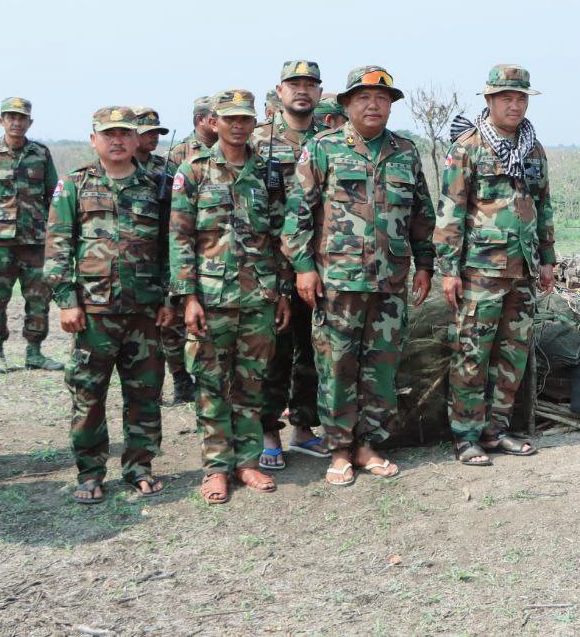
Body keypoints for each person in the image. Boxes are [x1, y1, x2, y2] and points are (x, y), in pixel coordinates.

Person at [282, 66, 435, 485]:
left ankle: (369, 444)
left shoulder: (405, 152)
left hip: (389, 283)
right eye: (364, 98)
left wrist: (425, 265)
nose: (374, 105)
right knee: (336, 366)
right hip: (337, 283)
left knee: (381, 368)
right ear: (347, 104)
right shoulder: (322, 149)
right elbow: (297, 216)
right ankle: (338, 450)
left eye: (382, 99)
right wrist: (303, 269)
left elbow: (421, 215)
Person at [43, 107, 172, 504]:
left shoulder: (157, 185)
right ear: (94, 138)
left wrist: (169, 297)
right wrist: (67, 300)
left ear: (136, 140)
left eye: (124, 133)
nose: (117, 140)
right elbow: (57, 245)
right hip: (93, 314)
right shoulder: (74, 185)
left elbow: (173, 247)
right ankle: (90, 472)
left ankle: (139, 467)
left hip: (145, 313)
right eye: (108, 133)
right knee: (88, 395)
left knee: (145, 395)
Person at [171, 89, 292, 504]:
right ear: (214, 122)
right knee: (210, 385)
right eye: (230, 119)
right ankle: (216, 468)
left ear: (255, 121)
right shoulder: (194, 170)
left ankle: (248, 462)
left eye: (246, 118)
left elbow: (279, 236)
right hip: (210, 298)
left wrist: (281, 293)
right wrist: (187, 298)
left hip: (258, 296)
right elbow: (180, 238)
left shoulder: (266, 172)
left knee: (252, 385)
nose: (239, 126)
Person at [435, 65, 555, 466]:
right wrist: (449, 270)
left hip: (522, 270)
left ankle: (497, 430)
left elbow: (544, 206)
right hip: (479, 272)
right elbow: (451, 210)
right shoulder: (468, 147)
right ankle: (466, 436)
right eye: (507, 98)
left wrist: (548, 259)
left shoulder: (533, 148)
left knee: (512, 356)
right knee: (471, 355)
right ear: (489, 101)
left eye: (521, 98)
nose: (515, 105)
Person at [250, 60, 328, 469]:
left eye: (310, 85)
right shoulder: (257, 141)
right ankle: (268, 432)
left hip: (322, 264)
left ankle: (304, 426)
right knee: (273, 353)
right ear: (279, 91)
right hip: (272, 267)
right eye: (294, 84)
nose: (303, 91)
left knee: (313, 349)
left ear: (319, 92)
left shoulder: (330, 139)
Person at [0, 96, 61, 374]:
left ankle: (35, 352)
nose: (16, 122)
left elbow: (54, 197)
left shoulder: (40, 154)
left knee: (39, 297)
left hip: (34, 241)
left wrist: (54, 238)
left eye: (21, 118)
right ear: (1, 121)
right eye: (10, 117)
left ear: (30, 122)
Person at [133, 106, 195, 404]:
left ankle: (181, 379)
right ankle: (148, 389)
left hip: (166, 254)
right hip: (134, 259)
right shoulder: (122, 167)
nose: (153, 139)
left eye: (157, 134)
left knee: (172, 322)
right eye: (148, 134)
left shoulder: (167, 168)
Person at [168, 96, 217, 169]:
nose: (223, 120)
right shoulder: (177, 153)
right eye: (216, 115)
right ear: (200, 120)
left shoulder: (231, 147)